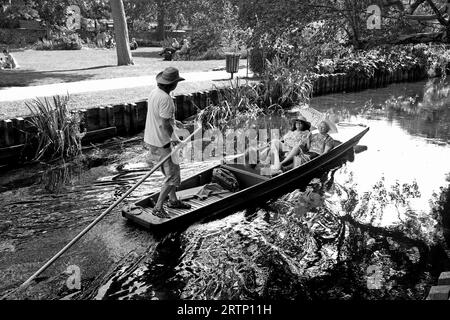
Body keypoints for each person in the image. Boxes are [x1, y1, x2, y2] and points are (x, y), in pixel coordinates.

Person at [144, 67, 191, 218]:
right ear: (173, 84)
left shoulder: (154, 93)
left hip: (151, 140)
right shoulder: (167, 99)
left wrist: (174, 122)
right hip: (162, 142)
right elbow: (164, 125)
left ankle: (173, 200)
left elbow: (162, 118)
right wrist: (176, 139)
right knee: (173, 176)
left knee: (167, 174)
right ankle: (158, 207)